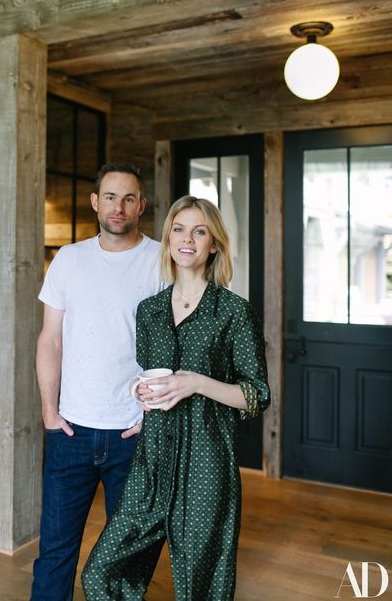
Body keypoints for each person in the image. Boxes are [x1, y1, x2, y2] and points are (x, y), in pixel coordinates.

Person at [82, 195, 270, 601]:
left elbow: (256, 396)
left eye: (199, 231)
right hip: (151, 462)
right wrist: (139, 391)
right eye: (179, 230)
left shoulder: (234, 312)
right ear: (168, 240)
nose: (188, 239)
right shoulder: (148, 311)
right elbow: (151, 377)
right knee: (102, 575)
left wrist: (198, 383)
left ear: (213, 244)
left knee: (199, 588)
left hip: (207, 467)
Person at [30, 163, 163, 601]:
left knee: (125, 558)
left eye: (128, 198)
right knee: (55, 552)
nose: (119, 207)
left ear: (141, 205)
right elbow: (50, 339)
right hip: (71, 431)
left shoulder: (161, 260)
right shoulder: (69, 260)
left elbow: (176, 347)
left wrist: (153, 414)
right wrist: (50, 412)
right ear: (95, 202)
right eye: (110, 197)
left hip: (133, 433)